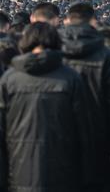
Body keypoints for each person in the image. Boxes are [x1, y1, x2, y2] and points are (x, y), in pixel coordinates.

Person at [0, 22, 95, 191]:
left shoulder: (9, 79)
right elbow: (84, 130)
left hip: (19, 167)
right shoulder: (70, 77)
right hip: (63, 169)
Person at [60, 2, 110, 192]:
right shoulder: (108, 56)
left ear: (67, 21)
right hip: (97, 135)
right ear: (93, 22)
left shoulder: (52, 50)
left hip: (57, 132)